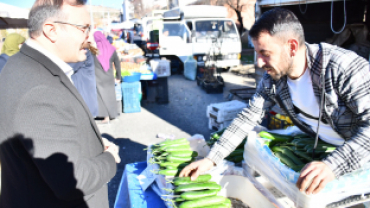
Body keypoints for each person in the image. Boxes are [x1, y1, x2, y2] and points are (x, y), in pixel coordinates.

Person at [180, 8, 370, 196]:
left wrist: (332, 165)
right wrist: (212, 159)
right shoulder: (274, 79)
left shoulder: (342, 69)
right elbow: (248, 117)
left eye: (265, 53)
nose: (259, 63)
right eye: (257, 53)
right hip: (328, 147)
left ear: (292, 47)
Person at [0, 1, 120, 207]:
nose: (89, 38)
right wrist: (110, 158)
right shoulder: (39, 88)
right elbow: (71, 181)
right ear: (51, 30)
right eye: (84, 28)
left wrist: (94, 146)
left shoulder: (21, 64)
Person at [68, 31, 99, 117]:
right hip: (85, 97)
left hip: (84, 98)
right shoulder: (85, 52)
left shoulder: (84, 53)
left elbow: (67, 67)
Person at [94, 31, 121, 124]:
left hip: (98, 77)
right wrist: (118, 76)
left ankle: (106, 117)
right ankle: (113, 114)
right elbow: (117, 64)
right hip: (109, 76)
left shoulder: (94, 50)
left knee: (101, 96)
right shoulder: (112, 49)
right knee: (111, 95)